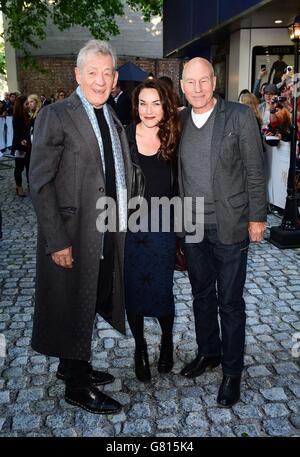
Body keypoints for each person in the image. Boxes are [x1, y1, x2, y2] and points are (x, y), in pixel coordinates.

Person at [29, 39, 133, 415]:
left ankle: (72, 363)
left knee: (86, 300)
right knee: (73, 301)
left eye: (107, 73)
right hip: (72, 233)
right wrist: (57, 239)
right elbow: (39, 181)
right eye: (93, 73)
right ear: (78, 74)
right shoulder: (56, 115)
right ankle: (77, 385)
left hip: (103, 230)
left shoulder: (109, 114)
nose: (100, 80)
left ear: (115, 77)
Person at [178, 57, 267, 408]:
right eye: (190, 82)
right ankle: (209, 352)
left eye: (203, 81)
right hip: (192, 225)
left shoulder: (239, 116)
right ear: (182, 84)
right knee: (201, 295)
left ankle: (232, 372)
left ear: (213, 81)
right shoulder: (180, 119)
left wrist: (257, 217)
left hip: (230, 225)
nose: (197, 88)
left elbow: (255, 171)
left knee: (230, 303)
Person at [124, 78, 180, 382]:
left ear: (165, 105)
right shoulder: (124, 137)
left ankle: (167, 341)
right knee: (133, 291)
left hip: (163, 227)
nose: (149, 110)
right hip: (131, 228)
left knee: (162, 291)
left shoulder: (174, 134)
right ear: (136, 106)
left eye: (155, 103)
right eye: (143, 103)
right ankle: (140, 347)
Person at [11, 95, 31, 197]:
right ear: (21, 105)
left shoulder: (27, 115)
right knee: (19, 168)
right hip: (20, 146)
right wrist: (21, 142)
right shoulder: (17, 117)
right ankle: (19, 187)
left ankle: (30, 185)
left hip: (28, 145)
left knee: (29, 166)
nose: (28, 105)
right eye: (26, 104)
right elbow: (17, 133)